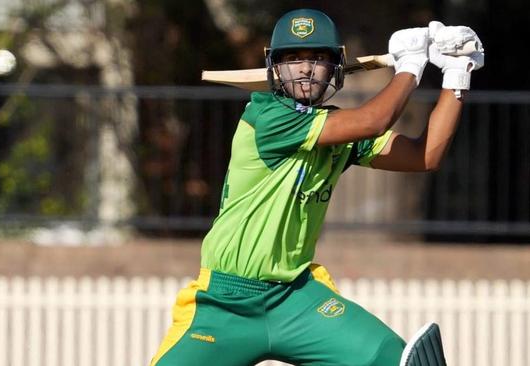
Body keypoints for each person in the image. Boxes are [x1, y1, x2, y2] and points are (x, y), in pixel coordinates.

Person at [151, 8, 484, 366]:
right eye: (293, 58)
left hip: (296, 298)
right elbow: (374, 121)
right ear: (275, 68)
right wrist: (410, 68)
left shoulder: (340, 128)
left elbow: (424, 156)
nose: (306, 68)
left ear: (335, 69)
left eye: (317, 59)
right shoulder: (267, 115)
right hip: (226, 300)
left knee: (394, 359)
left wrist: (455, 76)